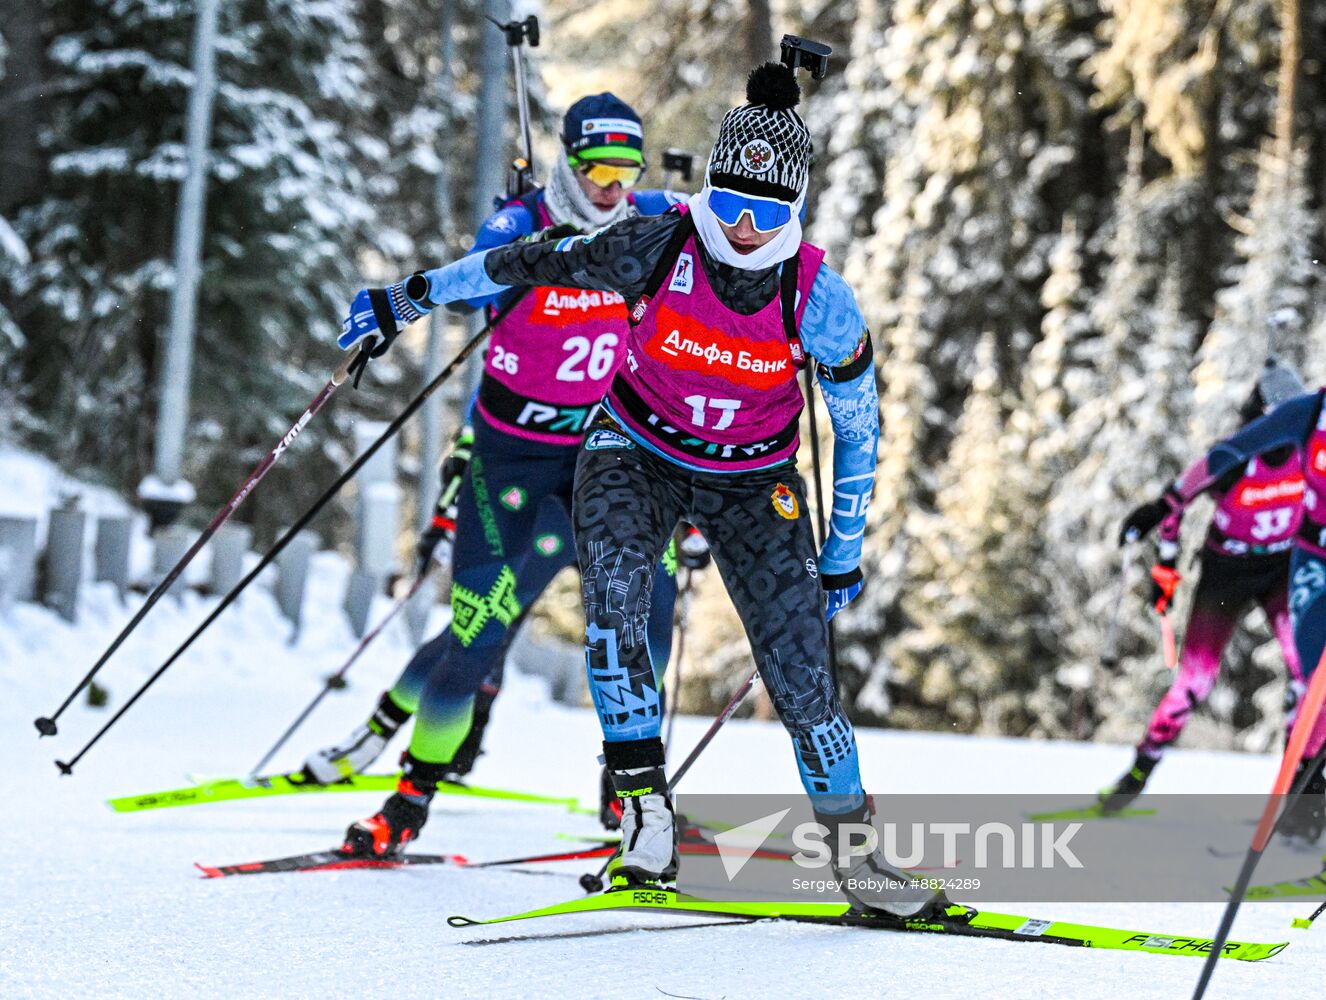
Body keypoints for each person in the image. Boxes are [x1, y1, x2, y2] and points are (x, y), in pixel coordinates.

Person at [338, 62, 964, 921]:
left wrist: (844, 548)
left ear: (799, 207)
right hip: (633, 450)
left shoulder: (818, 298)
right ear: (708, 188)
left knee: (801, 673)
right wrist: (409, 298)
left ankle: (859, 863)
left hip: (754, 480)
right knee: (618, 602)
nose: (745, 228)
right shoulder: (655, 243)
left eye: (769, 211)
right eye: (731, 202)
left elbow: (859, 428)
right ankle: (642, 812)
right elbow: (521, 262)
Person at [313, 94, 701, 858]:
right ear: (569, 161)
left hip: (611, 457)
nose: (613, 186)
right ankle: (409, 799)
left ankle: (626, 792)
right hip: (512, 458)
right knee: (476, 632)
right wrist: (406, 305)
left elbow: (734, 229)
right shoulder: (519, 225)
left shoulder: (654, 217)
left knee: (645, 624)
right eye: (597, 167)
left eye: (628, 168)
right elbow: (471, 280)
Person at [1099, 359, 1309, 814]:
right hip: (1226, 569)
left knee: (1306, 669)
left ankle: (1300, 790)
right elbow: (1176, 510)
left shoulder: (1307, 447)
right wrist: (1166, 571)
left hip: (1281, 567)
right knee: (1195, 678)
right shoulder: (1237, 457)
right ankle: (1139, 771)